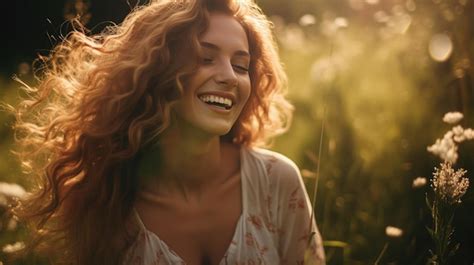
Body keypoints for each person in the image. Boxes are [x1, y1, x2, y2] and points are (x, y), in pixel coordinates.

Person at [12, 0, 325, 264]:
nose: (230, 77)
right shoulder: (101, 202)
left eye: (241, 66)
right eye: (205, 58)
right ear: (156, 69)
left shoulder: (277, 182)